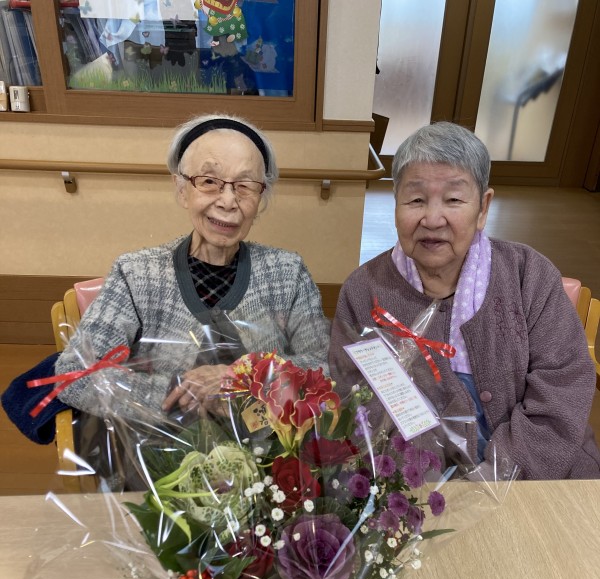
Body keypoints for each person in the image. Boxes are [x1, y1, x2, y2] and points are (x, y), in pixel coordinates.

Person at [329, 121, 600, 480]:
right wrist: (433, 485)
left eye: (454, 199)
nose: (432, 219)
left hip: (539, 475)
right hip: (415, 484)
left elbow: (563, 388)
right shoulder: (364, 290)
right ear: (395, 205)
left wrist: (501, 473)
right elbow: (359, 403)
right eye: (416, 200)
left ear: (483, 208)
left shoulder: (529, 275)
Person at [53, 113, 330, 420]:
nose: (228, 201)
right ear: (182, 188)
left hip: (274, 447)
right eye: (209, 182)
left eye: (245, 185)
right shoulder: (136, 275)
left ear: (260, 196)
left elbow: (326, 366)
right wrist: (184, 392)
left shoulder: (288, 273)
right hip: (162, 447)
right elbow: (75, 375)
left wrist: (242, 378)